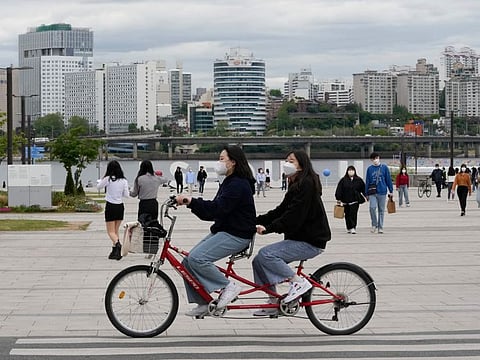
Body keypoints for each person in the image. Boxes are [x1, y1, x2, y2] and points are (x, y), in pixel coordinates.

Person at [175, 145, 256, 317]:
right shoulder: (229, 182)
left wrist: (191, 201)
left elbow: (217, 209)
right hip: (225, 230)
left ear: (233, 162)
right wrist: (191, 203)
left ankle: (228, 286)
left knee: (198, 258)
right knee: (188, 262)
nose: (218, 162)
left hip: (237, 234)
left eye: (221, 159)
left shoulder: (238, 185)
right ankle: (203, 302)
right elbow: (213, 211)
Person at [253, 149, 331, 316]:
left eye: (291, 161)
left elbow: (294, 216)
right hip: (299, 238)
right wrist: (256, 220)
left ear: (301, 166)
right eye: (286, 160)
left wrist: (269, 229)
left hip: (311, 241)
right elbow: (281, 210)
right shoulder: (296, 184)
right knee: (258, 261)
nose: (287, 164)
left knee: (266, 254)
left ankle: (298, 283)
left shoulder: (307, 184)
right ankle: (273, 301)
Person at [96, 160, 129, 260]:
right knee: (115, 230)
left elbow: (98, 187)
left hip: (110, 206)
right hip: (120, 206)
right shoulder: (124, 180)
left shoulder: (108, 179)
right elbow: (126, 195)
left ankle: (118, 245)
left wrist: (101, 180)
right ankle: (115, 251)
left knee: (110, 232)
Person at [365, 152, 393, 234]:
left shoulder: (384, 168)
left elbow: (388, 179)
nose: (375, 160)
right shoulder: (369, 169)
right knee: (372, 208)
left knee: (381, 210)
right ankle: (374, 224)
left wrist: (391, 190)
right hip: (372, 191)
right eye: (373, 159)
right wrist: (366, 193)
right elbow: (367, 181)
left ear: (379, 158)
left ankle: (380, 227)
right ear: (371, 160)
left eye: (376, 158)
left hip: (382, 191)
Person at [335, 165, 366, 234]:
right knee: (347, 215)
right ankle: (349, 227)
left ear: (355, 171)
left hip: (355, 200)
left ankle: (353, 227)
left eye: (352, 170)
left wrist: (366, 195)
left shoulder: (359, 180)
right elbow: (339, 190)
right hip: (345, 201)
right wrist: (338, 198)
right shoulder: (343, 180)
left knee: (353, 214)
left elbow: (363, 188)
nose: (351, 171)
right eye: (349, 170)